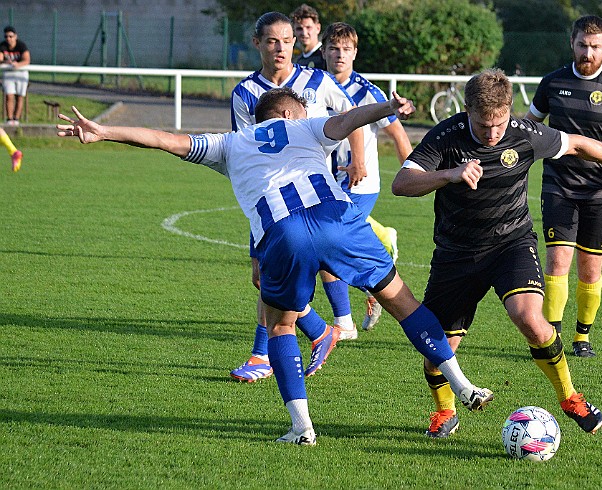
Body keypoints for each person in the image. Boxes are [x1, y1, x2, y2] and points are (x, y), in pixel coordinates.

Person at [56, 88, 495, 445]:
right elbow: (346, 122)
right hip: (337, 219)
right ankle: (462, 385)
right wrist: (387, 107)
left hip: (283, 234)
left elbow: (165, 139)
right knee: (404, 303)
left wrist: (104, 131)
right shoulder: (302, 125)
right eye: (303, 108)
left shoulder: (228, 143)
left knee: (281, 326)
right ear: (287, 113)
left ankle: (302, 429)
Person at [392, 68, 602, 438]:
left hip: (510, 244)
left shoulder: (525, 134)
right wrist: (449, 174)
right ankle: (445, 411)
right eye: (484, 126)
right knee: (438, 348)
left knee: (530, 318)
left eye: (499, 124)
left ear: (509, 112)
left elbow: (579, 144)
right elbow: (401, 184)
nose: (493, 133)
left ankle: (570, 397)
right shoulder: (446, 136)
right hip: (457, 252)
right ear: (467, 110)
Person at [229, 12, 365, 383]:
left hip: (314, 196)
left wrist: (358, 158)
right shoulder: (244, 93)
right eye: (272, 41)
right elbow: (245, 149)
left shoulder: (316, 80)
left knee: (284, 271)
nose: (281, 48)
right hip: (271, 199)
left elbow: (350, 114)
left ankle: (263, 355)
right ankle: (323, 329)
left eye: (287, 40)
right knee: (263, 277)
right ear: (257, 44)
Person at [524, 15, 602, 358]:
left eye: (594, 46)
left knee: (591, 268)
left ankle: (582, 338)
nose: (587, 52)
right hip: (558, 186)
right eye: (582, 45)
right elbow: (528, 125)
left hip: (601, 192)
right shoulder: (552, 83)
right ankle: (551, 338)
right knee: (557, 261)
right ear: (572, 44)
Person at [322, 22, 413, 331]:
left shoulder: (367, 91)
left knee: (325, 249)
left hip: (360, 185)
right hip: (324, 183)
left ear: (355, 53)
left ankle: (344, 322)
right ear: (323, 51)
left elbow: (399, 136)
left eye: (346, 49)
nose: (340, 55)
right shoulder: (316, 86)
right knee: (326, 249)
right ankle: (375, 272)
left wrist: (413, 174)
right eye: (334, 48)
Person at [0, 26, 30, 126]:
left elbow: (27, 60)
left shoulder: (21, 45)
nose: (8, 38)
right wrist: (6, 62)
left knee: (20, 97)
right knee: (9, 95)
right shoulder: (2, 46)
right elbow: (0, 59)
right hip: (8, 72)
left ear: (15, 36)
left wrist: (18, 65)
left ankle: (16, 119)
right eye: (6, 36)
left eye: (10, 36)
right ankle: (9, 119)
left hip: (21, 72)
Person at [290, 4, 326, 70]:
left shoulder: (326, 56)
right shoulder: (297, 62)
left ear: (318, 28)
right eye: (299, 29)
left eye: (308, 27)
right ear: (294, 31)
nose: (304, 33)